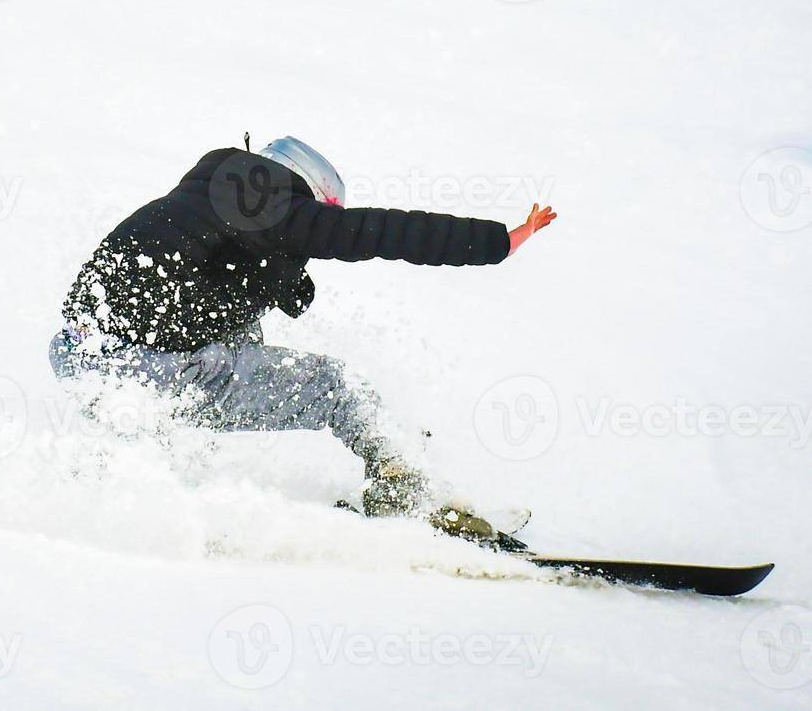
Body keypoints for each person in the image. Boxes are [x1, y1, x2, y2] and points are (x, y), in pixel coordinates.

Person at [50, 136, 557, 542]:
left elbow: (224, 280)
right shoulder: (277, 207)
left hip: (82, 355)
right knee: (336, 385)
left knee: (237, 340)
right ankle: (406, 491)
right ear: (310, 196)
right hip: (154, 365)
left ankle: (132, 493)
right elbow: (379, 231)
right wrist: (497, 242)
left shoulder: (208, 197)